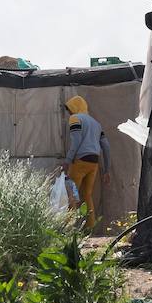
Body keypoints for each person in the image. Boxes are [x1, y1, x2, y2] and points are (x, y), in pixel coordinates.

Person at [62, 95, 111, 231]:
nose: (69, 113)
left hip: (80, 162)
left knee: (71, 194)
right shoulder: (96, 123)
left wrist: (67, 160)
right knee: (87, 195)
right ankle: (90, 228)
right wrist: (107, 169)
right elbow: (106, 146)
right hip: (93, 163)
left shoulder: (75, 119)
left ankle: (69, 229)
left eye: (70, 109)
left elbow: (76, 141)